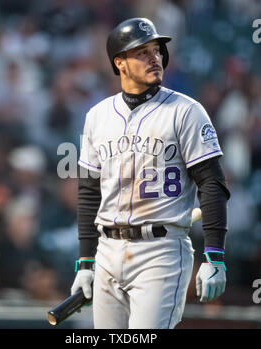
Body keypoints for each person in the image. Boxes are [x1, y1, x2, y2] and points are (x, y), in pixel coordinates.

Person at [71, 17, 230, 329]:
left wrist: (214, 254)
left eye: (156, 50)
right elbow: (89, 192)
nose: (154, 57)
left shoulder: (186, 111)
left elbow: (212, 183)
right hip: (107, 251)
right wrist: (86, 262)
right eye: (141, 52)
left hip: (161, 251)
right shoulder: (97, 116)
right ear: (120, 63)